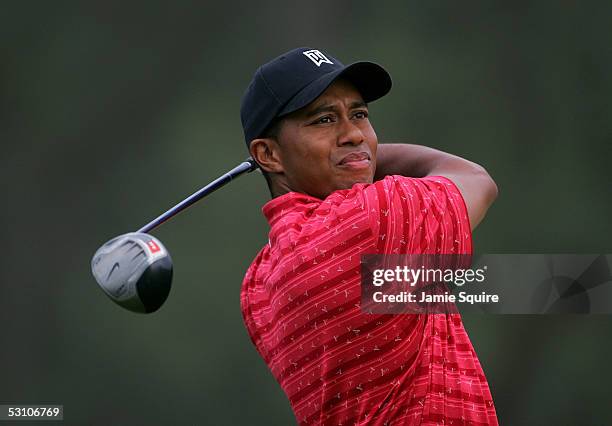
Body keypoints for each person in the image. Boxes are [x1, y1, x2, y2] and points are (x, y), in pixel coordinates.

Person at [239, 47, 499, 426]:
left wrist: (348, 155)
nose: (353, 134)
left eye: (359, 115)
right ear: (268, 154)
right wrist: (364, 156)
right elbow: (476, 180)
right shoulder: (370, 219)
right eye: (324, 120)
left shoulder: (257, 284)